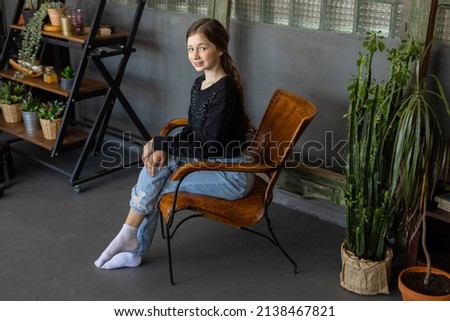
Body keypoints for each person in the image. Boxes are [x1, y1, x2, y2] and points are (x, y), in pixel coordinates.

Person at [94, 18, 255, 269]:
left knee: (161, 183)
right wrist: (162, 146)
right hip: (209, 163)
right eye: (190, 49)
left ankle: (132, 241)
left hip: (232, 174)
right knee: (157, 167)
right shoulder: (199, 84)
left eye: (202, 47)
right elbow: (193, 131)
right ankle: (131, 242)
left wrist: (161, 142)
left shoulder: (226, 91)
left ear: (220, 49)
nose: (195, 55)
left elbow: (209, 146)